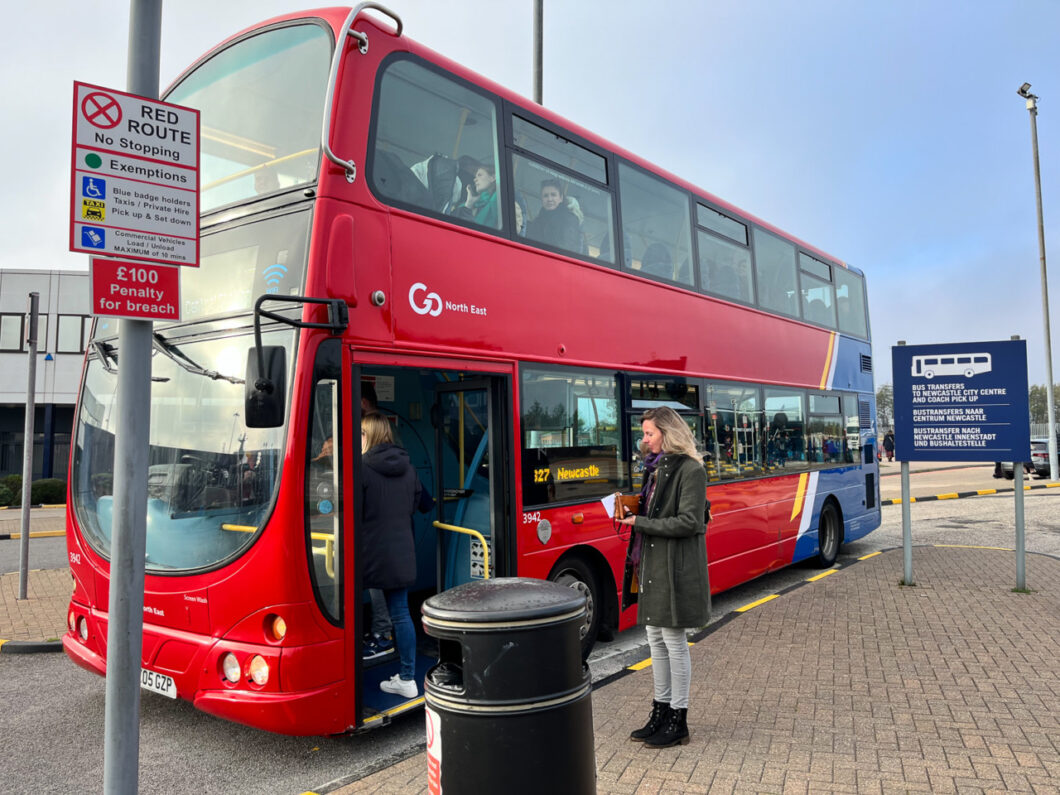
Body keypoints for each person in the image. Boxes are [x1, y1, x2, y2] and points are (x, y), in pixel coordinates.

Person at [616, 406, 710, 748]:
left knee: (673, 641)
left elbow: (690, 522)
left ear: (667, 434)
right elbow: (657, 512)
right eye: (644, 433)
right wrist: (631, 509)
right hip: (654, 563)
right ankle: (660, 709)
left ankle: (678, 719)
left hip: (676, 566)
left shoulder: (691, 469)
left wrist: (639, 522)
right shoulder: (655, 470)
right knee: (655, 638)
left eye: (649, 433)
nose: (644, 439)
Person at [361, 412, 421, 698]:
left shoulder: (360, 468)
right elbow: (418, 502)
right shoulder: (409, 468)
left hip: (370, 555)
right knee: (401, 614)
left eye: (361, 433)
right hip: (402, 552)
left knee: (345, 609)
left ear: (370, 435)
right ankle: (408, 677)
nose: (357, 439)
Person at [526, 179, 581, 252]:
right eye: (545, 196)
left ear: (561, 198)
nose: (549, 199)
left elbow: (567, 248)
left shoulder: (569, 220)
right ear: (541, 199)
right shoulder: (537, 221)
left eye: (553, 195)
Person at [452, 163, 498, 228]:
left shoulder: (498, 201)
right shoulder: (470, 203)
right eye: (475, 176)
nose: (475, 179)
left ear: (493, 178)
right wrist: (469, 204)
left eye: (479, 175)